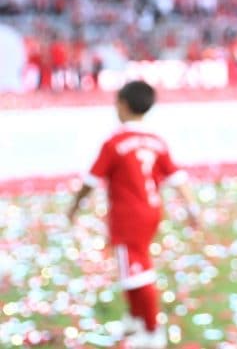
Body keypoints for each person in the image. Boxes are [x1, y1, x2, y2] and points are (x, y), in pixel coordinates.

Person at [67, 80, 199, 349]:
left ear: (123, 104)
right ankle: (136, 319)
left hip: (128, 215)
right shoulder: (155, 140)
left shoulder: (115, 142)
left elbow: (91, 180)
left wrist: (73, 207)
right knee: (131, 266)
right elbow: (177, 177)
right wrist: (192, 208)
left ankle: (152, 332)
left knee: (138, 272)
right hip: (151, 211)